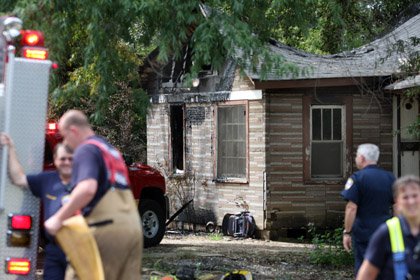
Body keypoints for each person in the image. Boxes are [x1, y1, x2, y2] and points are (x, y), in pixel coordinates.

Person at [44, 109, 142, 280]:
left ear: (73, 130)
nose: (66, 143)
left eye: (65, 136)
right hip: (132, 227)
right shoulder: (109, 149)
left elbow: (87, 189)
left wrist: (58, 219)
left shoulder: (86, 149)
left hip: (106, 227)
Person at [0, 133, 71, 280]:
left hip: (81, 248)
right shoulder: (47, 179)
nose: (66, 162)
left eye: (71, 159)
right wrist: (11, 148)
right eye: (62, 158)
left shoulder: (87, 181)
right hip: (55, 249)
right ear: (56, 161)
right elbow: (18, 178)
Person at [341, 143, 396, 274]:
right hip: (385, 231)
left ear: (362, 158)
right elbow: (397, 205)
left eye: (356, 156)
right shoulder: (390, 178)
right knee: (384, 268)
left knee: (364, 268)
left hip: (363, 232)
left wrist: (347, 232)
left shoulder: (357, 178)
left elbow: (351, 208)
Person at [356, 175, 420, 280]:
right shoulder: (386, 233)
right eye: (405, 197)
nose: (411, 202)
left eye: (415, 196)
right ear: (397, 202)